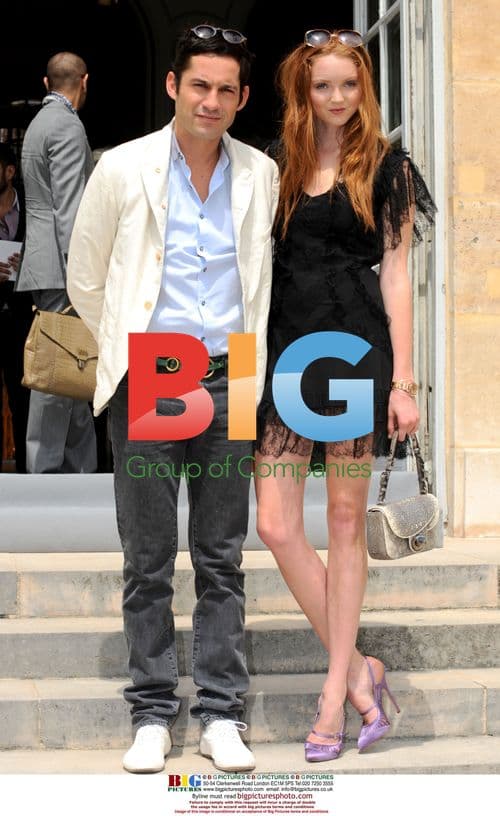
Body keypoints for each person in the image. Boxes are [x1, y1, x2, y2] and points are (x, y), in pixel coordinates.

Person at [67, 25, 279, 773]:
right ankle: (153, 711)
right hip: (154, 374)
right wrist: (130, 354)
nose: (212, 101)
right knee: (149, 555)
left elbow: (263, 279)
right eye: (200, 86)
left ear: (242, 97)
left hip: (231, 374)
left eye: (226, 90)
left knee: (222, 555)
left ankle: (222, 713)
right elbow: (85, 277)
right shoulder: (122, 168)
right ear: (173, 87)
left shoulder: (261, 173)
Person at [255, 29, 436, 762]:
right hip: (291, 351)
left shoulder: (386, 167)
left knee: (344, 521)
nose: (336, 98)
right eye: (323, 85)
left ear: (364, 90)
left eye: (349, 86)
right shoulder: (279, 164)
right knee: (274, 523)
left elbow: (395, 275)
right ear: (304, 91)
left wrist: (404, 381)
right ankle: (365, 669)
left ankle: (337, 692)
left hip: (357, 351)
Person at [16, 52, 97, 473]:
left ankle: (78, 470)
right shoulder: (65, 124)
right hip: (62, 267)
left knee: (72, 364)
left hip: (45, 261)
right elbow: (70, 208)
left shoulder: (39, 123)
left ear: (47, 84)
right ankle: (45, 471)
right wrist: (82, 271)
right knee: (55, 371)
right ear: (84, 82)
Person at [0, 143, 33, 472]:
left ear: (9, 172)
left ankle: (26, 477)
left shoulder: (32, 211)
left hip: (23, 320)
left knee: (24, 400)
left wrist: (31, 261)